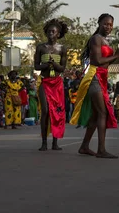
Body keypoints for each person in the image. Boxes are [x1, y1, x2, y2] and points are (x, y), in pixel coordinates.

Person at [70, 13, 119, 159]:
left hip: (102, 77)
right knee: (102, 113)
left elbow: (106, 63)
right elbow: (97, 61)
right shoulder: (96, 39)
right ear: (99, 23)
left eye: (110, 24)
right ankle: (101, 150)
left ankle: (84, 146)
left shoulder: (104, 40)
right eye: (105, 24)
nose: (108, 27)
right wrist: (118, 54)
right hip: (94, 77)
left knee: (96, 115)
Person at [34, 18, 68, 151]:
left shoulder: (62, 49)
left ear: (58, 34)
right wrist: (45, 65)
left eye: (53, 32)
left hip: (57, 83)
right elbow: (36, 66)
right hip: (44, 81)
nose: (50, 34)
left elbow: (62, 68)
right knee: (45, 111)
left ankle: (55, 142)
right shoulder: (41, 47)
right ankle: (44, 142)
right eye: (48, 32)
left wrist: (54, 64)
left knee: (56, 113)